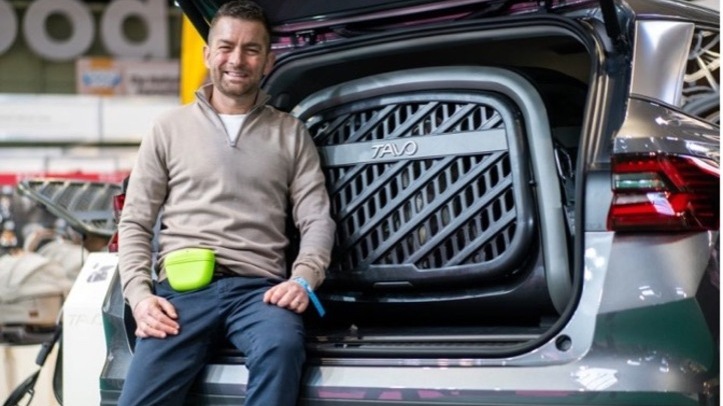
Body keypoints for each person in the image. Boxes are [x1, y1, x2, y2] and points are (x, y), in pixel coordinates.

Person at [116, 1, 336, 404]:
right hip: (180, 295)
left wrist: (303, 278)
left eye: (251, 49)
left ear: (268, 61)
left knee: (282, 346)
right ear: (207, 54)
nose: (237, 60)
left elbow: (317, 219)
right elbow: (135, 222)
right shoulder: (168, 128)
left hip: (259, 293)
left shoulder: (291, 133)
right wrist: (140, 297)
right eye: (226, 46)